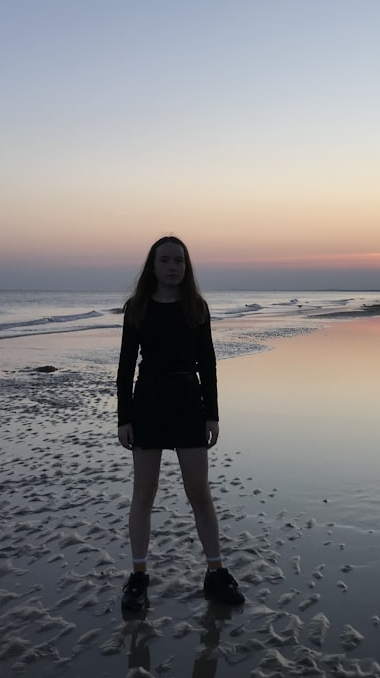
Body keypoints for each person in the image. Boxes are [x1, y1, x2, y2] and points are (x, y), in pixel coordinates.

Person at [115, 236, 245, 612]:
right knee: (145, 491)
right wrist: (124, 418)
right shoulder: (136, 308)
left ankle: (215, 571)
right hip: (149, 400)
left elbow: (209, 363)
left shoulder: (197, 308)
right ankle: (139, 576)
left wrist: (212, 414)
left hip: (189, 400)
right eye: (165, 260)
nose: (173, 266)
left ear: (186, 268)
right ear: (152, 267)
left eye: (179, 261)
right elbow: (125, 369)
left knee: (199, 491)